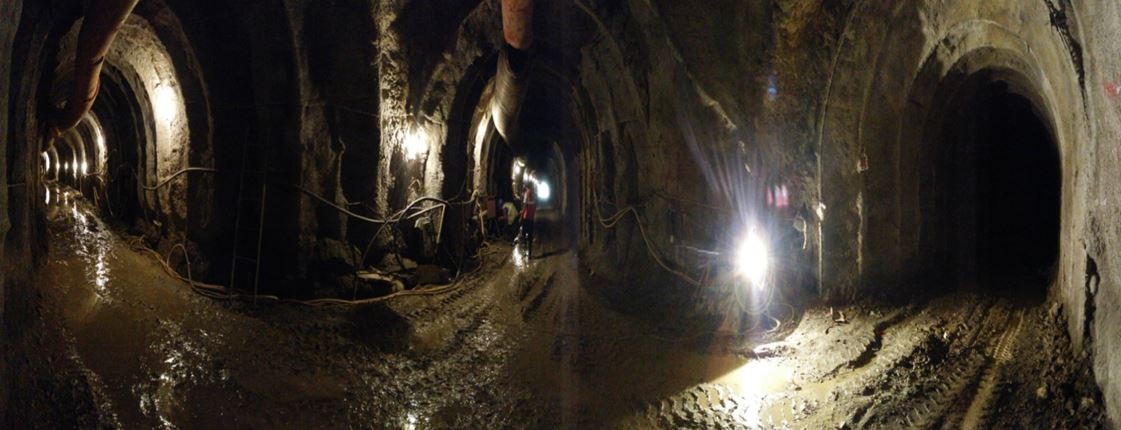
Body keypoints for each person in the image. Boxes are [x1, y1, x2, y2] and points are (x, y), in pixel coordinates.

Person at [518, 182, 536, 257]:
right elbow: (534, 206)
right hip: (531, 218)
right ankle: (530, 253)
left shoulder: (526, 194)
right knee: (530, 235)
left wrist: (521, 216)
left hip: (526, 217)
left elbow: (525, 206)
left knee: (524, 233)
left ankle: (525, 250)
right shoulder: (534, 194)